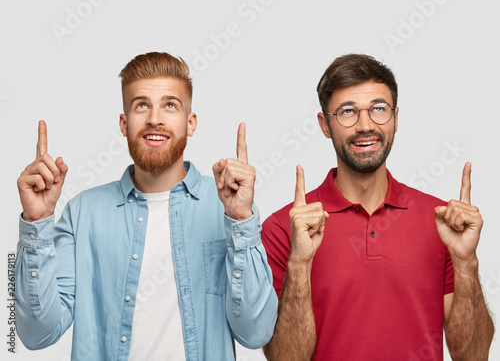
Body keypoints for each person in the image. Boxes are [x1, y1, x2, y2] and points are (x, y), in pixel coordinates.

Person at [15, 52, 277, 361]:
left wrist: (241, 220)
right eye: (142, 105)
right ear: (124, 123)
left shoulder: (228, 205)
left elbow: (255, 332)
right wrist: (37, 221)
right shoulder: (82, 213)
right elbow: (37, 334)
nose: (155, 118)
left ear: (190, 123)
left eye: (170, 105)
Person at [261, 54, 494, 361]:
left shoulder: (442, 222)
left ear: (395, 118)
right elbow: (285, 359)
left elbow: (473, 355)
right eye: (347, 112)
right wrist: (300, 264)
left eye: (379, 109)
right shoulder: (283, 228)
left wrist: (466, 261)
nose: (366, 125)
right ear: (325, 125)